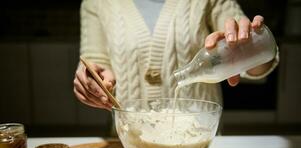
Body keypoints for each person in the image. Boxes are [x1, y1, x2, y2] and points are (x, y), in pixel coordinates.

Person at [73, 0, 278, 111]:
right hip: (129, 143)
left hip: (199, 142)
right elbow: (95, 62)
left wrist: (251, 49)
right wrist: (94, 82)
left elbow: (256, 66)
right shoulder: (95, 3)